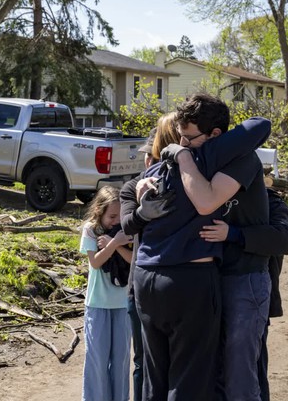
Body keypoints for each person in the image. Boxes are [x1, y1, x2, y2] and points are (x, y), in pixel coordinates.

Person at [134, 94, 272, 401]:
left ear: (216, 136)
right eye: (178, 136)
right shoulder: (190, 161)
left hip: (242, 278)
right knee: (206, 377)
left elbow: (206, 200)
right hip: (205, 277)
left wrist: (233, 234)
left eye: (189, 137)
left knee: (237, 377)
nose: (182, 143)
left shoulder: (238, 159)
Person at [199, 188, 288, 401]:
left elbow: (283, 239)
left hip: (250, 295)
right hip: (211, 294)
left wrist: (234, 234)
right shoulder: (211, 195)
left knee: (248, 372)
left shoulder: (269, 199)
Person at [120, 114, 179, 401]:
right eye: (146, 156)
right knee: (143, 361)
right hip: (139, 286)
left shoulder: (182, 180)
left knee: (169, 365)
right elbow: (127, 224)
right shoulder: (132, 187)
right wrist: (144, 211)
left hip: (169, 282)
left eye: (150, 155)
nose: (146, 161)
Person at [80, 185, 134, 401]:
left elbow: (134, 260)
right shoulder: (90, 230)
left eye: (119, 216)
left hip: (122, 304)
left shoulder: (125, 231)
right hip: (97, 304)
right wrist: (114, 244)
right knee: (97, 361)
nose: (116, 221)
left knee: (121, 361)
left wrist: (117, 243)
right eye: (111, 216)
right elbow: (95, 262)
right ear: (99, 212)